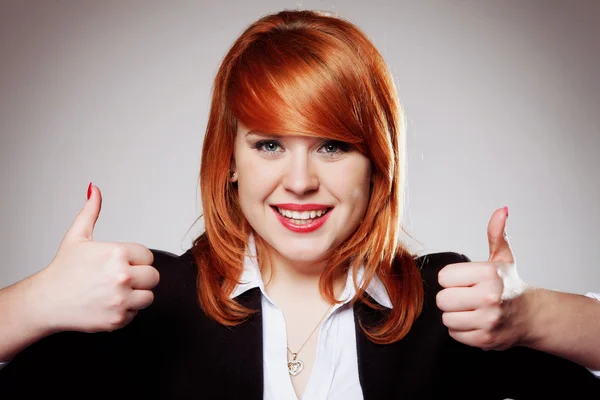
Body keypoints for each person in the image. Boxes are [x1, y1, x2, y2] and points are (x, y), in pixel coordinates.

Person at [0, 9, 599, 399]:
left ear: (377, 163)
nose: (300, 181)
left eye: (333, 146)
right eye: (268, 145)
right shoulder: (144, 298)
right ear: (229, 161)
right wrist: (34, 304)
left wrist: (535, 315)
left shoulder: (451, 302)